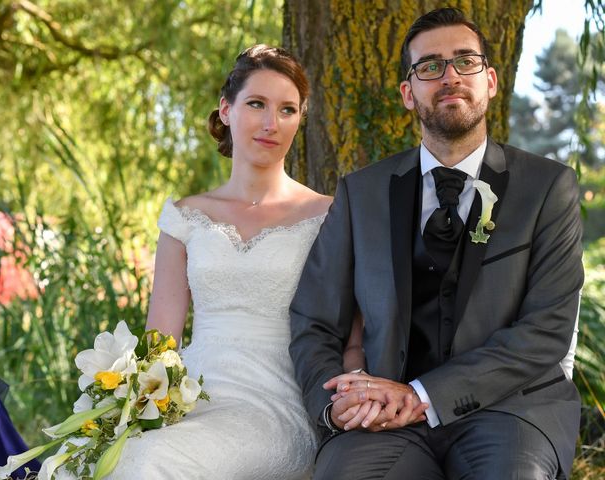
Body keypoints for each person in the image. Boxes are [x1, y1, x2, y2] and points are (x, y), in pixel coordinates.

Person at [290, 7, 583, 480]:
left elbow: (546, 331)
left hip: (511, 413)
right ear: (409, 93)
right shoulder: (361, 193)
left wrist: (423, 394)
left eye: (465, 61)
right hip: (383, 421)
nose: (449, 76)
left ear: (490, 80)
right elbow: (313, 320)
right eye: (430, 66)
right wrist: (336, 404)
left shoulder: (547, 188)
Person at [107, 44, 333, 479]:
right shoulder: (185, 216)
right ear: (226, 110)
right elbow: (161, 338)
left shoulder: (327, 216)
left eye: (287, 110)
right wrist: (132, 406)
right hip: (191, 397)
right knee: (103, 455)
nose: (271, 123)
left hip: (276, 405)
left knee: (151, 463)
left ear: (300, 118)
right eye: (256, 104)